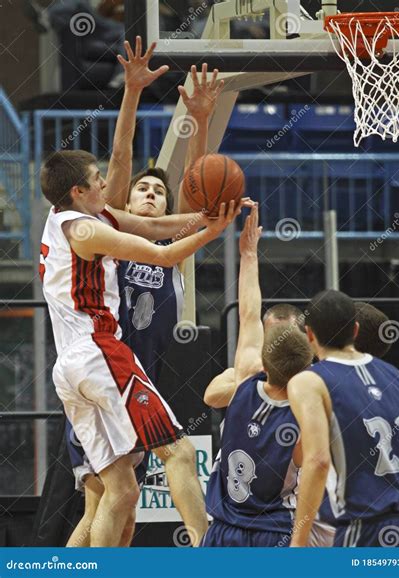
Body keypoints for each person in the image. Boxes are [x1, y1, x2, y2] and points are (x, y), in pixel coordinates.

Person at [63, 41, 227, 547]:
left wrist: (201, 119)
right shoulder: (108, 230)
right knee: (104, 498)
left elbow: (201, 194)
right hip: (105, 370)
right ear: (124, 202)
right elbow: (120, 155)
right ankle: (208, 548)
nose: (152, 194)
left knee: (119, 508)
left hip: (135, 378)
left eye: (159, 191)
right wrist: (132, 93)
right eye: (142, 190)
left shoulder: (173, 239)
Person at [39, 142, 242, 547]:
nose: (105, 184)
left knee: (120, 494)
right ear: (78, 191)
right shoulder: (86, 228)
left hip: (71, 369)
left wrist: (203, 217)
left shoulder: (60, 216)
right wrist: (214, 232)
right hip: (101, 354)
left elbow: (152, 227)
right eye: (96, 180)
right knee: (180, 455)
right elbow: (161, 255)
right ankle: (211, 558)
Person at [286, 290, 399, 547]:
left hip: (364, 527)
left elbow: (317, 461)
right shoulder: (396, 376)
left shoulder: (309, 381)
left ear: (310, 335)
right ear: (356, 330)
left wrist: (298, 542)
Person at [202, 206, 313, 546]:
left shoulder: (246, 376)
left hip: (225, 529)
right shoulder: (311, 403)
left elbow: (248, 312)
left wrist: (248, 253)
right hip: (274, 531)